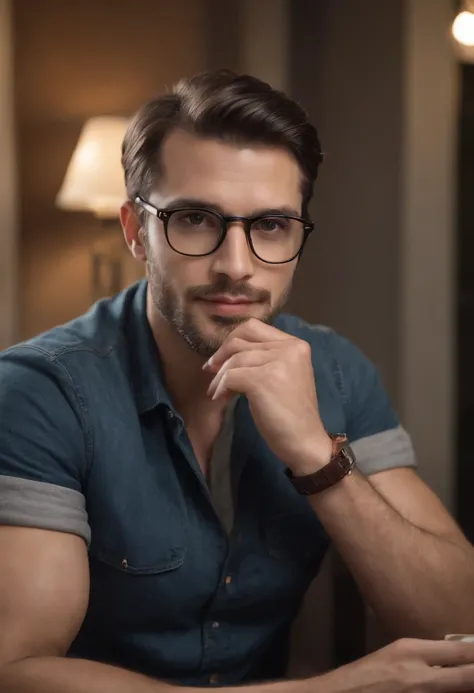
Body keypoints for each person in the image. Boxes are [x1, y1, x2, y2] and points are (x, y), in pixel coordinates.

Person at [1, 70, 474, 693]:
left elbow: (457, 625)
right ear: (133, 232)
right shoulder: (38, 391)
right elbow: (17, 670)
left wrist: (315, 455)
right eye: (195, 219)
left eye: (272, 226)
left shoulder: (335, 371)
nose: (237, 266)